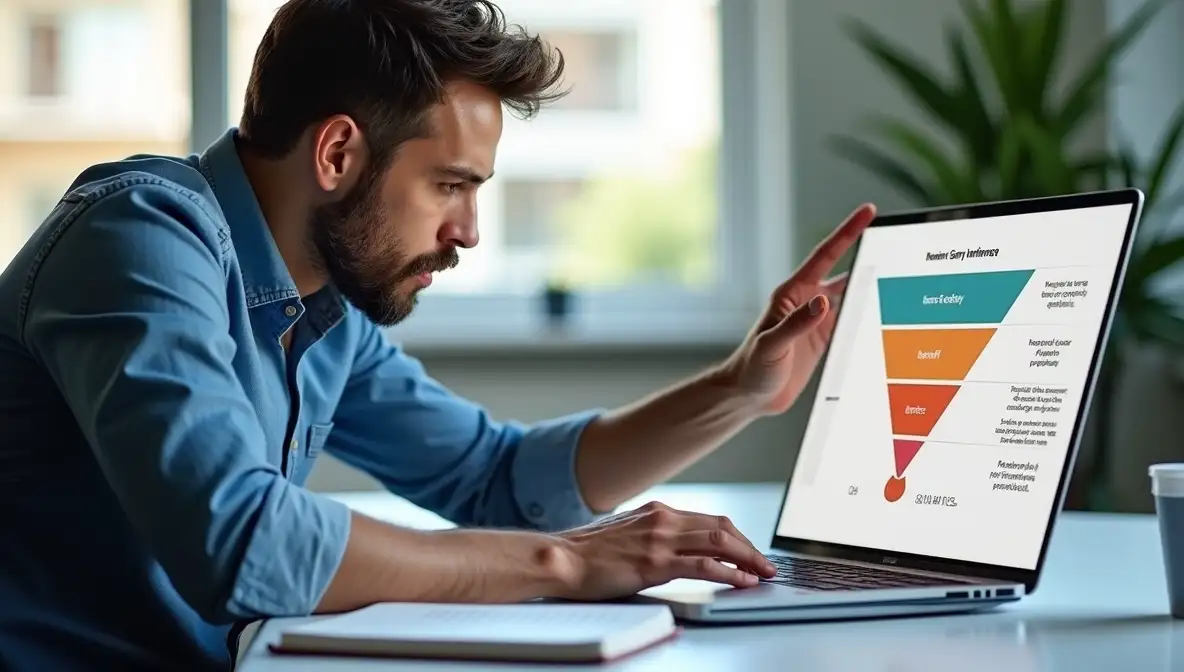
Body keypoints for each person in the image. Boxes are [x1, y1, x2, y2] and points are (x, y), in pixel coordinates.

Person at [0, 0, 874, 669]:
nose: (469, 231)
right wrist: (562, 565)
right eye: (449, 185)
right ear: (338, 154)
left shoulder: (323, 306)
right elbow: (242, 543)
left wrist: (738, 390)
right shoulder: (143, 235)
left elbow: (497, 478)